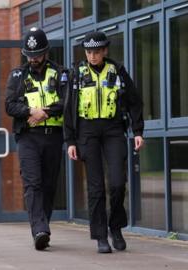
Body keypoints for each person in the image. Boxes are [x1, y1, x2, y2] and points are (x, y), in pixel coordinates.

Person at [64, 31, 144, 253]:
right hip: (87, 131)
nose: (92, 56)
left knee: (118, 182)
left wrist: (138, 131)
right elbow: (69, 109)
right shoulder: (77, 74)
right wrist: (70, 140)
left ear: (104, 51)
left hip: (113, 129)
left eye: (96, 52)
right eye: (89, 52)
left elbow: (135, 101)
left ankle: (115, 226)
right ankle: (100, 236)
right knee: (96, 187)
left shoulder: (117, 70)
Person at [5, 27, 68, 250]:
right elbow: (10, 105)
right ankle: (39, 230)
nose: (33, 59)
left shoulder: (61, 73)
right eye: (30, 56)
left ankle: (43, 226)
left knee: (49, 185)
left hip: (53, 136)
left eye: (37, 55)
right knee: (33, 183)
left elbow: (67, 100)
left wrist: (46, 112)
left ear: (46, 52)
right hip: (28, 138)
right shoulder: (17, 76)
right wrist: (31, 111)